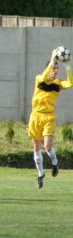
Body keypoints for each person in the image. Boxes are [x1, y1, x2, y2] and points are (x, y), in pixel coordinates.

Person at [28, 49, 73, 189]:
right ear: (48, 68)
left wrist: (68, 67)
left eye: (56, 69)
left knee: (47, 146)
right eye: (54, 68)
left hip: (48, 117)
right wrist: (52, 60)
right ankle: (40, 175)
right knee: (36, 147)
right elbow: (43, 77)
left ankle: (54, 162)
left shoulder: (58, 84)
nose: (55, 71)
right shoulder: (39, 79)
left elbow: (70, 83)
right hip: (35, 115)